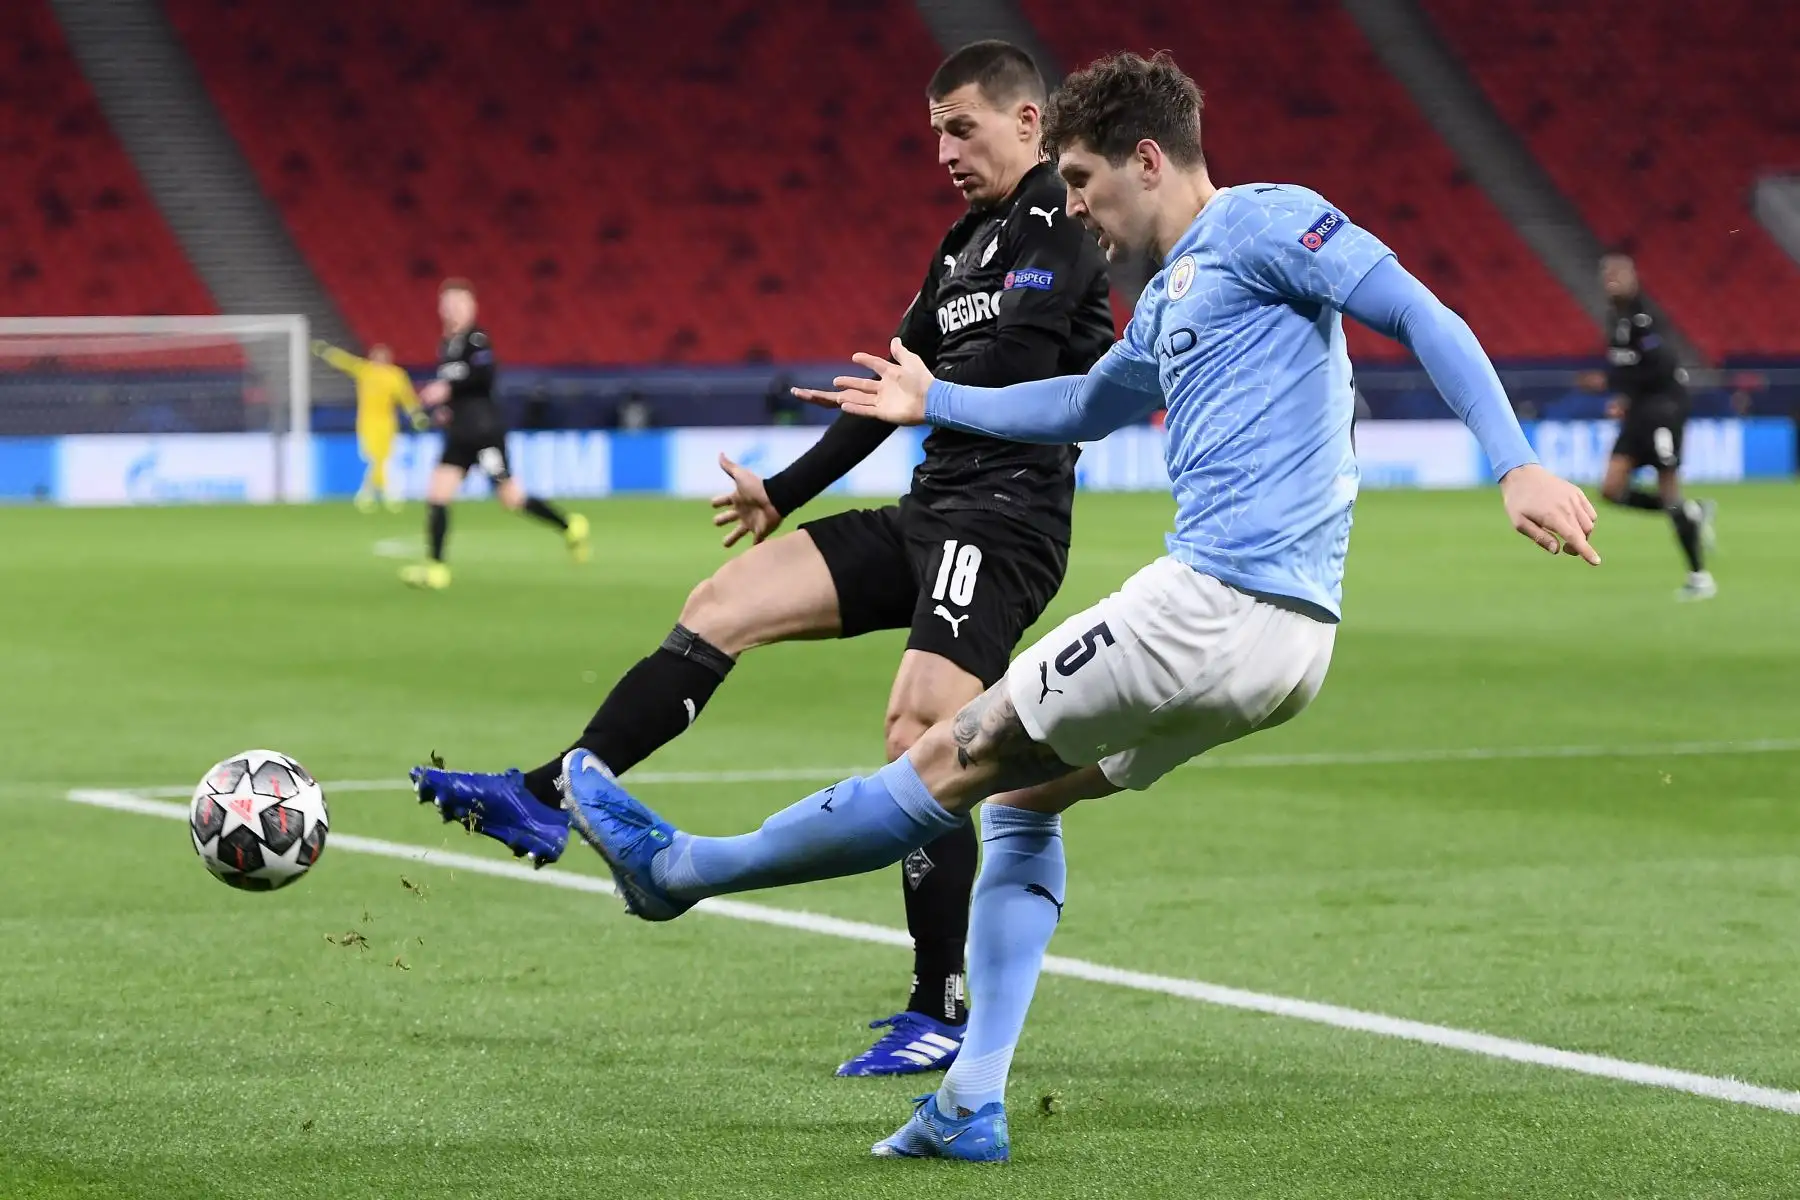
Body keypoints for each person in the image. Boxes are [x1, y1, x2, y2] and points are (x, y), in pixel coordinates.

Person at [540, 50, 1599, 1163]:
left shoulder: (1264, 221)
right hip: (1285, 652)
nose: (1076, 205)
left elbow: (1420, 312)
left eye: (1085, 180)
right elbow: (1085, 403)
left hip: (1211, 606)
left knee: (946, 758)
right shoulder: (1173, 294)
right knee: (1021, 801)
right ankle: (970, 1102)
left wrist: (1515, 462)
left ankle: (681, 874)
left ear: (1148, 160)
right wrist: (932, 398)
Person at [410, 40, 1114, 1077]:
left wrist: (928, 390)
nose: (944, 154)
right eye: (935, 135)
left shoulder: (1062, 217)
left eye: (961, 129)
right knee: (724, 600)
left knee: (920, 730)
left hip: (1005, 524)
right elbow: (888, 393)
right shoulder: (961, 246)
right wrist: (782, 491)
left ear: (1026, 121)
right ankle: (546, 794)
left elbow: (1011, 366)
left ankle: (941, 1005)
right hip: (932, 511)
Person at [401, 278, 589, 589]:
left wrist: (447, 389)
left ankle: (570, 526)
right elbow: (461, 391)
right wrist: (448, 408)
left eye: (458, 303)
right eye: (447, 304)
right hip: (459, 433)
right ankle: (436, 569)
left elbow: (483, 377)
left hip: (484, 434)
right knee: (437, 494)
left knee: (511, 498)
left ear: (472, 307)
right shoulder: (447, 346)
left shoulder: (478, 341)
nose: (452, 310)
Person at [1590, 252, 1715, 600]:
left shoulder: (1644, 319)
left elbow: (1659, 367)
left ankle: (1699, 577)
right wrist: (1624, 396)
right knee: (1611, 489)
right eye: (1607, 274)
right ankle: (1692, 512)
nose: (1612, 280)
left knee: (1668, 488)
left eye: (1619, 273)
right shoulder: (1616, 320)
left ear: (1633, 278)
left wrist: (1617, 386)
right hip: (1638, 411)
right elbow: (1628, 369)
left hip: (1663, 410)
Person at [311, 339, 426, 512]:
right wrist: (326, 351)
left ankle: (378, 495)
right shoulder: (365, 370)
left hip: (387, 423)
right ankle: (374, 494)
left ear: (389, 358)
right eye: (376, 356)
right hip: (367, 422)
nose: (379, 360)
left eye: (382, 356)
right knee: (374, 459)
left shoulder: (396, 375)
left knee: (382, 459)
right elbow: (343, 360)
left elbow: (407, 398)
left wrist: (416, 415)